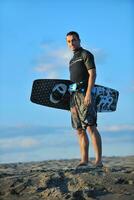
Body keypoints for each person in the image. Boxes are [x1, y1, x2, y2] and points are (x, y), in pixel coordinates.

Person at [66, 31, 102, 167]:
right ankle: (84, 160)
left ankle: (98, 161)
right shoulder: (71, 60)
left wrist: (88, 94)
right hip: (73, 96)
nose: (71, 43)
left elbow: (92, 74)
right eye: (69, 41)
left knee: (90, 126)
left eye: (74, 40)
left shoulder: (85, 54)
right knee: (79, 129)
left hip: (85, 94)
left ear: (79, 40)